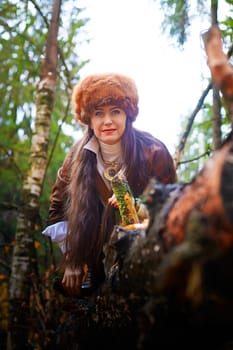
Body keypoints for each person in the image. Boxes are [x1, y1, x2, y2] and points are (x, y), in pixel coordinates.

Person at [42, 72, 177, 296]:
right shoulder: (76, 156)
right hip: (95, 264)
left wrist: (139, 208)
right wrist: (73, 259)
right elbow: (57, 210)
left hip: (146, 257)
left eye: (115, 111)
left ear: (128, 115)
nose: (107, 121)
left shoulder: (154, 151)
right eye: (99, 113)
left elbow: (173, 208)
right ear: (89, 118)